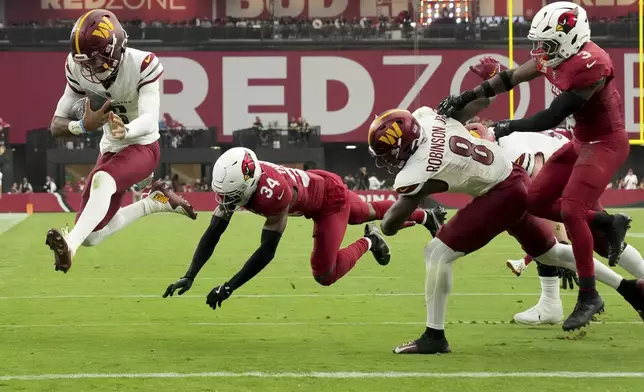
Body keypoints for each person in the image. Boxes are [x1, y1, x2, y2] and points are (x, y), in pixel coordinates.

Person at [367, 104, 644, 354]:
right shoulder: (428, 118)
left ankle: (434, 335)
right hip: (514, 179)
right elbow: (466, 107)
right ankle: (629, 288)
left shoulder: (417, 168)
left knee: (437, 253)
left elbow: (390, 226)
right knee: (551, 254)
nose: (388, 161)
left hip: (500, 193)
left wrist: (388, 220)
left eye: (387, 154)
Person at [437, 2, 631, 328]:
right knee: (536, 200)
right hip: (582, 142)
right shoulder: (554, 55)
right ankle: (607, 222)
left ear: (570, 39)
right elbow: (510, 77)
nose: (541, 51)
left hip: (605, 144)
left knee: (570, 210)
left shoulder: (592, 65)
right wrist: (465, 97)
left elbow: (553, 115)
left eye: (548, 44)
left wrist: (508, 126)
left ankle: (589, 295)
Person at [163, 147, 447, 309]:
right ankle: (427, 217)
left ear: (249, 183)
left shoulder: (272, 195)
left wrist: (229, 287)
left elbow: (266, 251)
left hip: (328, 202)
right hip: (319, 183)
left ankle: (370, 241)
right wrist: (190, 275)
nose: (225, 201)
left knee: (324, 273)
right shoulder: (244, 179)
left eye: (231, 194)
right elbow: (214, 232)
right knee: (369, 212)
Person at [45, 9, 197, 273]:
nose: (90, 70)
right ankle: (154, 202)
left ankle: (70, 245)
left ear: (116, 48)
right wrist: (83, 125)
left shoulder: (142, 64)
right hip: (111, 149)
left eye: (97, 61)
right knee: (92, 235)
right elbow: (56, 126)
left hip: (143, 145)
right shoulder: (76, 66)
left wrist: (126, 132)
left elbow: (150, 119)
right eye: (86, 64)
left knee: (102, 180)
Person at [470, 122, 644, 325]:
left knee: (600, 240)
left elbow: (544, 194)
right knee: (541, 233)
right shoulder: (503, 143)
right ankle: (550, 303)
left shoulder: (511, 149)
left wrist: (562, 241)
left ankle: (555, 302)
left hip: (573, 167)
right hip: (570, 164)